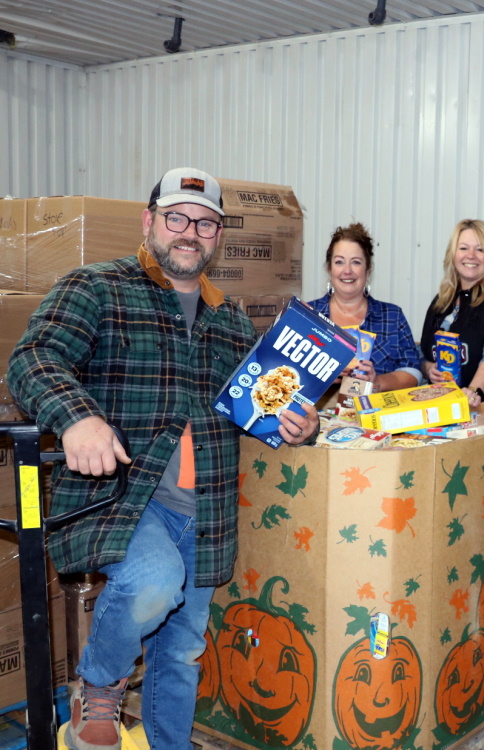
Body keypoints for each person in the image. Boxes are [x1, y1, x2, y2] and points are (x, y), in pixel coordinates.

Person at [7, 167, 319, 750]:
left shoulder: (229, 317)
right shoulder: (97, 287)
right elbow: (32, 359)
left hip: (206, 511)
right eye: (177, 217)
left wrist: (300, 423)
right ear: (150, 222)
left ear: (217, 237)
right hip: (127, 496)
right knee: (154, 583)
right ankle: (98, 686)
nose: (189, 232)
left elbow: (253, 407)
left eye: (204, 223)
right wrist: (77, 416)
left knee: (182, 651)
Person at [307, 222, 422, 393]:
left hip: (376, 416)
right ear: (329, 269)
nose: (347, 270)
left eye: (356, 262)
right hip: (316, 417)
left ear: (368, 271)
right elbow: (284, 372)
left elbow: (413, 373)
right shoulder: (308, 315)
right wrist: (319, 378)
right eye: (339, 262)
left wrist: (376, 382)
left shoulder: (392, 316)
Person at [419, 219, 484, 407]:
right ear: (453, 254)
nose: (471, 256)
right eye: (464, 248)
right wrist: (428, 369)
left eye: (480, 249)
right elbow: (423, 353)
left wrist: (473, 392)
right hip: (441, 412)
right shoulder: (441, 300)